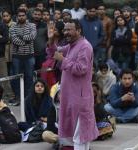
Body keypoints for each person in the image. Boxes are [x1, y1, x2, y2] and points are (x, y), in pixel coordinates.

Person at [53, 19, 99, 150]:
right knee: (76, 136)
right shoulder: (71, 45)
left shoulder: (85, 46)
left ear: (78, 31)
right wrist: (52, 40)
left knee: (80, 136)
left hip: (80, 98)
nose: (65, 32)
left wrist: (63, 60)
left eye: (69, 30)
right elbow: (54, 52)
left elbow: (81, 69)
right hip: (70, 96)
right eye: (65, 29)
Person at [9, 9, 37, 105]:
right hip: (17, 56)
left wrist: (21, 37)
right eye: (19, 16)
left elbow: (32, 36)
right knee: (16, 77)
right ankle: (18, 97)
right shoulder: (12, 27)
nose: (21, 17)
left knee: (29, 77)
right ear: (17, 17)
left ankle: (28, 97)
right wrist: (25, 40)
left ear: (26, 16)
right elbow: (14, 39)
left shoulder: (32, 25)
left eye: (23, 15)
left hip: (29, 56)